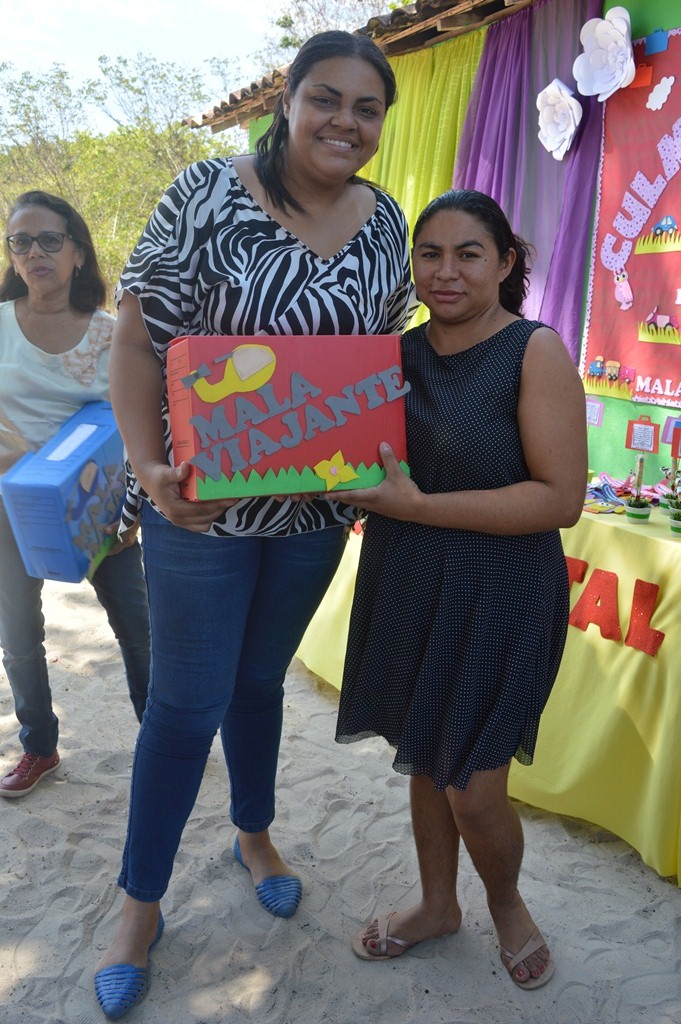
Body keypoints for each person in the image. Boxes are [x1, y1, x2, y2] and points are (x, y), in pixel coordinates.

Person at [93, 30, 413, 1020]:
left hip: (315, 515)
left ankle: (254, 830)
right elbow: (139, 342)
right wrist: (150, 467)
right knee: (188, 706)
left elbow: (376, 364)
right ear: (288, 101)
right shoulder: (207, 192)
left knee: (258, 683)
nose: (344, 122)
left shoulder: (384, 221)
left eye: (366, 108)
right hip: (202, 511)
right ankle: (138, 903)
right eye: (326, 98)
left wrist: (379, 467)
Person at [335, 189, 587, 989]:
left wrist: (419, 506)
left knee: (472, 789)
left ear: (505, 262)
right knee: (423, 759)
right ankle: (437, 905)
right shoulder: (394, 355)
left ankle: (506, 904)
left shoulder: (532, 350)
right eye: (429, 254)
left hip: (501, 591)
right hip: (409, 578)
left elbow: (559, 500)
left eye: (468, 253)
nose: (445, 272)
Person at [0, 190, 151, 798]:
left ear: (78, 253)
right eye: (20, 242)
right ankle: (39, 746)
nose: (34, 253)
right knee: (17, 632)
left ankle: (160, 738)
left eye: (49, 240)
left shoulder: (113, 333)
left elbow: (139, 420)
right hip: (13, 504)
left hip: (100, 508)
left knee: (137, 626)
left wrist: (131, 508)